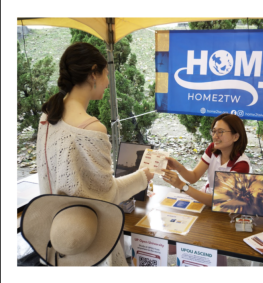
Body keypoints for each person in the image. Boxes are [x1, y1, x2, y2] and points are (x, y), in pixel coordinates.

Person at [35, 42, 157, 266]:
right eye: (106, 74)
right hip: (91, 245)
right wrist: (143, 176)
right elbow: (108, 196)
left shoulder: (47, 118)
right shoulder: (92, 130)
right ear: (93, 73)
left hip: (56, 241)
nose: (108, 81)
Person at [160, 114, 251, 206]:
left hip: (223, 207)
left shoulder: (242, 165)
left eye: (221, 132)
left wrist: (181, 185)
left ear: (235, 137)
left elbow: (218, 201)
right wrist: (178, 166)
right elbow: (194, 177)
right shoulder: (213, 148)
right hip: (206, 196)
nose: (215, 136)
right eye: (214, 131)